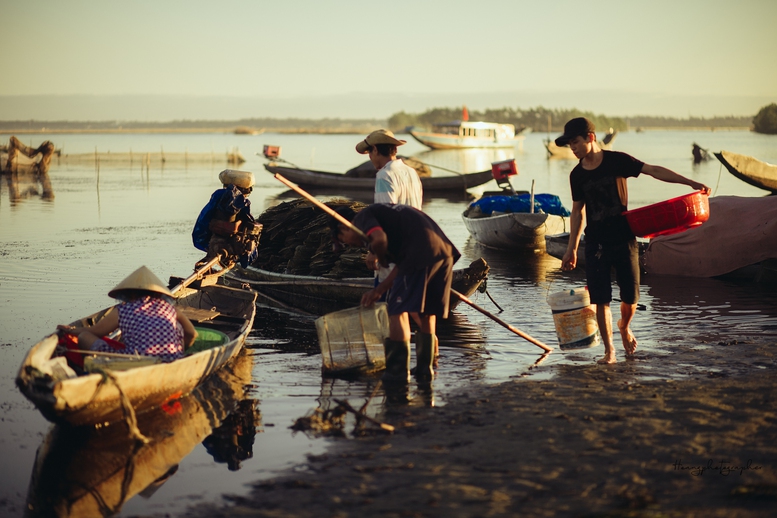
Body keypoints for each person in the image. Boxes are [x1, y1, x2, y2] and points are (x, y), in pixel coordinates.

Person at [557, 117, 711, 364]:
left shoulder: (618, 161)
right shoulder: (577, 175)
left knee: (631, 298)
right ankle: (609, 352)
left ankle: (624, 326)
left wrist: (689, 182)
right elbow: (577, 212)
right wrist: (572, 249)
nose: (572, 148)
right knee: (601, 299)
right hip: (595, 243)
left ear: (591, 138)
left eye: (575, 142)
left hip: (624, 238)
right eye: (569, 145)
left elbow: (653, 170)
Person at [330, 204, 460, 382]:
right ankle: (425, 369)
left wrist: (380, 257)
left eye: (343, 239)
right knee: (426, 312)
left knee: (396, 311)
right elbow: (401, 267)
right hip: (443, 252)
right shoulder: (388, 220)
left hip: (420, 252)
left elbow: (380, 240)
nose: (350, 244)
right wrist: (379, 290)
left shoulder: (362, 218)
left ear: (344, 226)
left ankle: (397, 371)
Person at [57, 265, 197, 362]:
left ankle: (92, 369)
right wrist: (179, 350)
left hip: (134, 361)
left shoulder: (122, 310)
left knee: (84, 336)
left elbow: (95, 332)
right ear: (157, 293)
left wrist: (70, 331)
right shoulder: (171, 309)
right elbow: (192, 334)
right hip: (171, 359)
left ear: (129, 293)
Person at [192, 169, 261, 268]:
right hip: (223, 243)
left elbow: (204, 220)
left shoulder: (220, 196)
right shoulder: (238, 201)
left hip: (223, 242)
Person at [356, 129, 423, 208]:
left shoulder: (384, 174)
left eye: (369, 153)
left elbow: (385, 212)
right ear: (395, 149)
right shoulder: (412, 172)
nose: (370, 157)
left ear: (375, 150)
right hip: (414, 220)